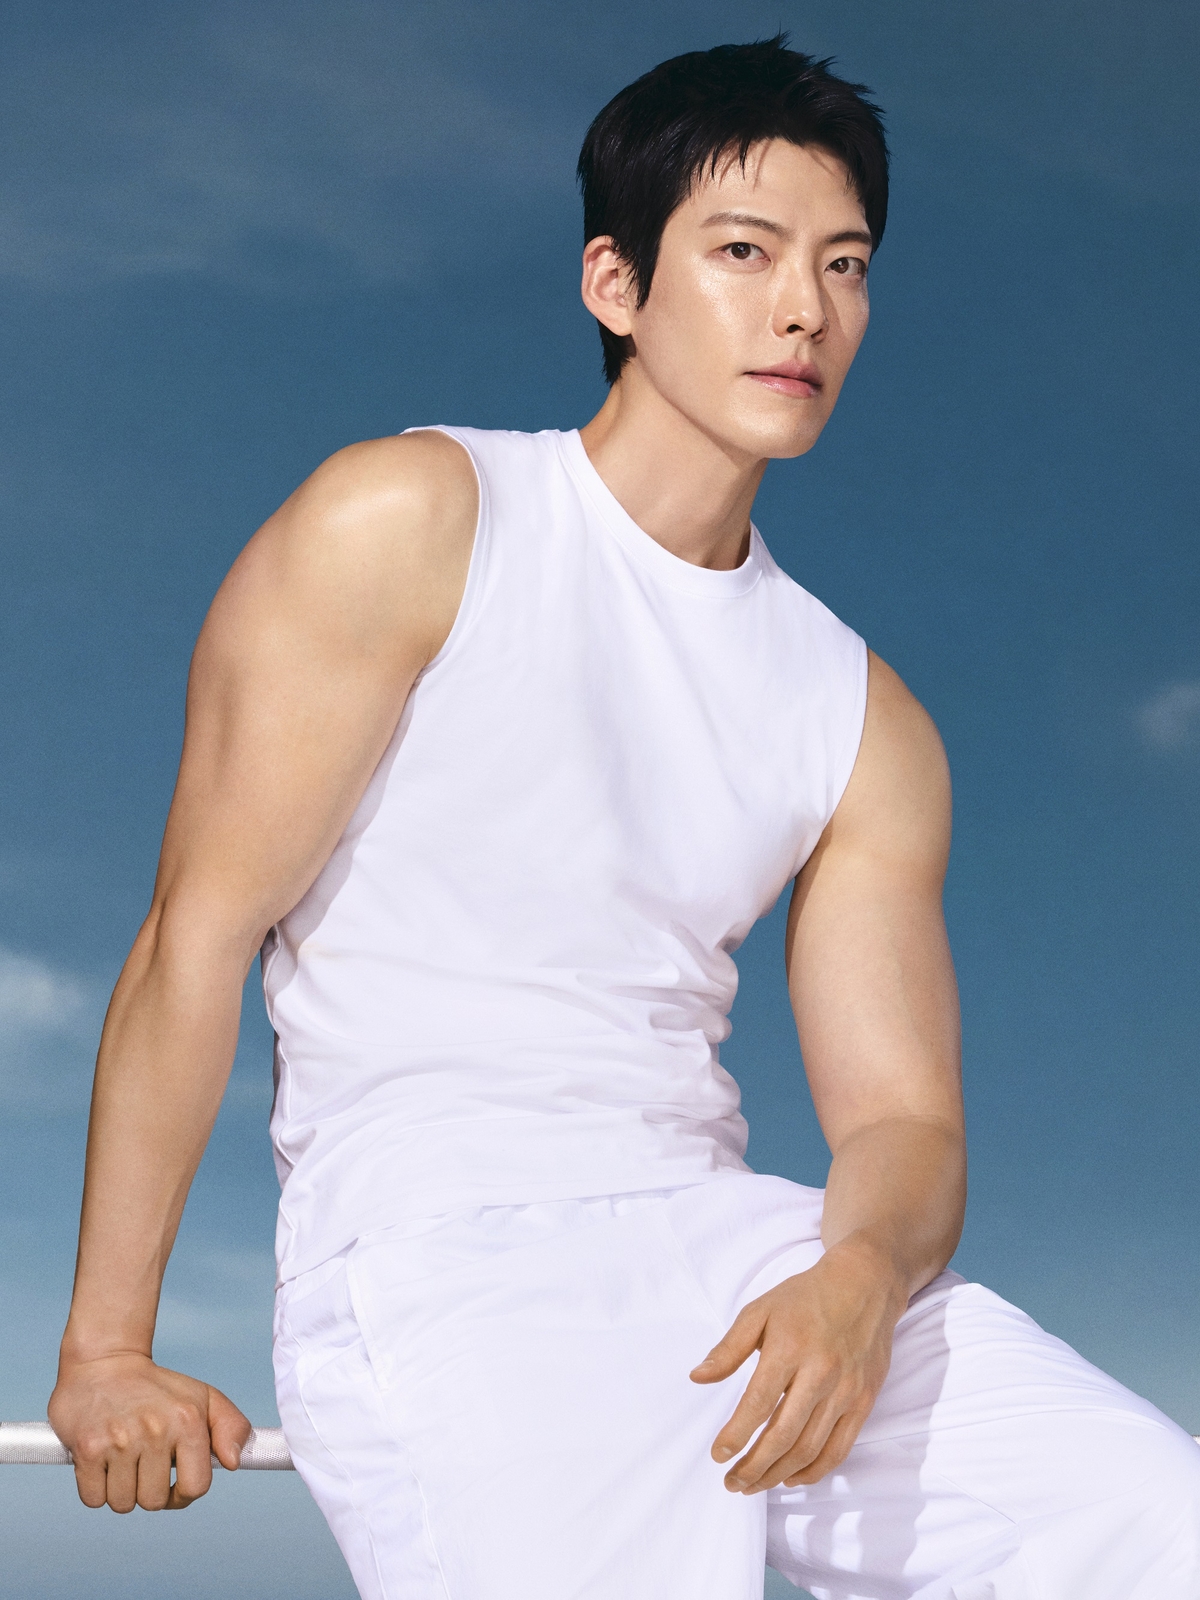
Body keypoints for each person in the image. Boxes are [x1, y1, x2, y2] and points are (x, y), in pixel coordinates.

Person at [48, 37, 1199, 1600]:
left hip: (740, 1251)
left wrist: (860, 1276)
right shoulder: (411, 519)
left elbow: (906, 1127)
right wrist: (107, 1351)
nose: (805, 310)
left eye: (845, 265)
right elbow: (193, 942)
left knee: (1165, 1525)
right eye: (745, 252)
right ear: (616, 285)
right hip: (448, 1249)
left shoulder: (865, 719)